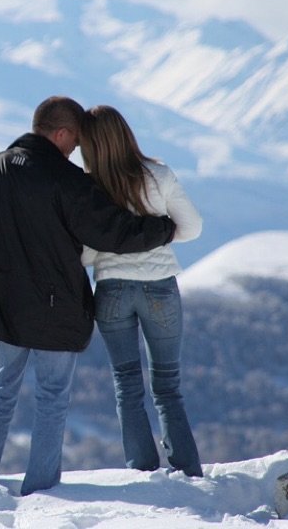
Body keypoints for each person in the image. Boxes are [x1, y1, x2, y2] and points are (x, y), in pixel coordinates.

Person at [0, 96, 178, 496]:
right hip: (54, 312)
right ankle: (41, 490)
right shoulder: (65, 179)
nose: (76, 150)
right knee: (51, 400)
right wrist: (164, 229)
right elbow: (112, 231)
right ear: (61, 133)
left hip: (1, 309)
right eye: (75, 142)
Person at [79, 104, 203, 477]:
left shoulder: (89, 187)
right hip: (159, 288)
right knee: (168, 386)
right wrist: (161, 231)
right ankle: (186, 470)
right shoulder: (159, 174)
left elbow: (85, 254)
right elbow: (193, 227)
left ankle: (142, 470)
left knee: (126, 383)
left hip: (112, 290)